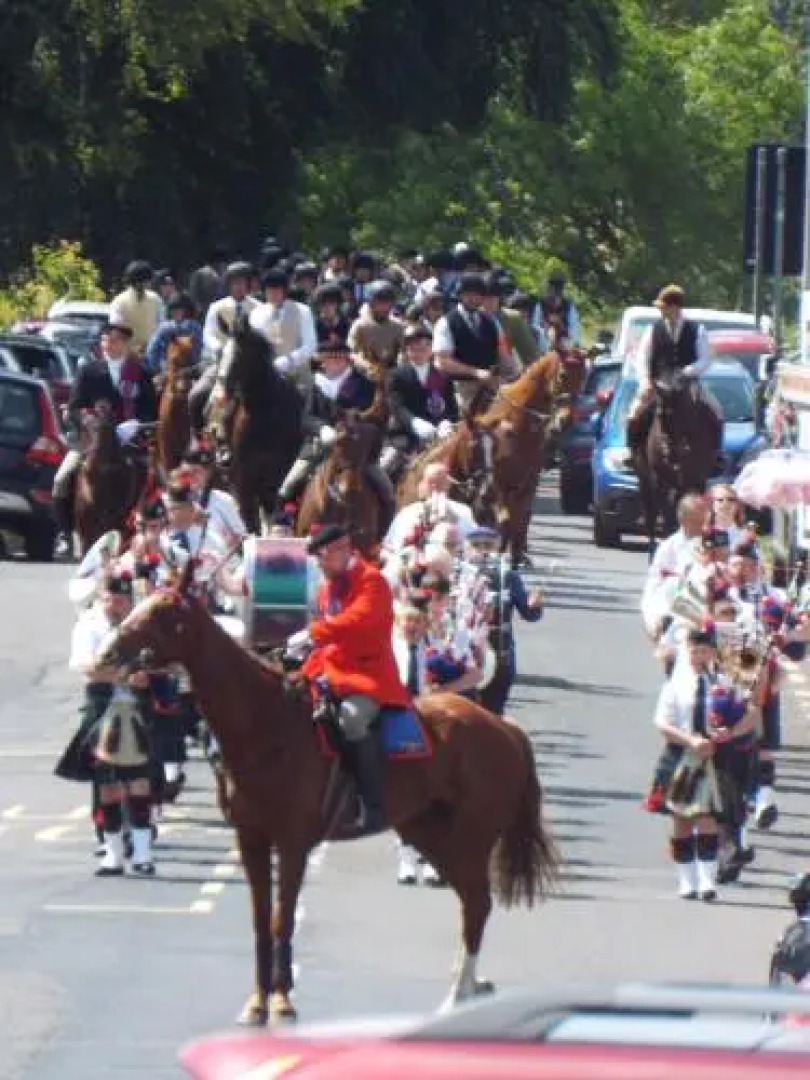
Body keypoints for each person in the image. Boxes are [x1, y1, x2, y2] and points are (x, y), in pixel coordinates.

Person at [287, 525, 410, 835]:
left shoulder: (373, 582)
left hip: (369, 675)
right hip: (332, 672)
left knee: (352, 719)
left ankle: (373, 805)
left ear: (343, 550)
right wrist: (302, 670)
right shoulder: (328, 589)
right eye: (318, 560)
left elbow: (357, 621)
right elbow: (329, 644)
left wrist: (313, 632)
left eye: (324, 558)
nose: (321, 566)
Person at [55, 567, 156, 876]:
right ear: (103, 598)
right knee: (108, 786)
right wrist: (125, 675)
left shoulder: (141, 625)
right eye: (114, 599)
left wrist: (149, 674)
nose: (120, 605)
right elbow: (87, 667)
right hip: (103, 708)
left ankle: (142, 854)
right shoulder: (89, 626)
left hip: (137, 708)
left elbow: (159, 660)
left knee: (139, 784)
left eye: (124, 600)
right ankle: (112, 854)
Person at [51, 317, 158, 557]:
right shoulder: (89, 371)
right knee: (61, 479)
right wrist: (87, 420)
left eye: (116, 340)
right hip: (93, 441)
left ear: (126, 344)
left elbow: (152, 409)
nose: (110, 345)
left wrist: (136, 423)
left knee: (156, 478)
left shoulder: (141, 373)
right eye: (106, 340)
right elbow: (75, 405)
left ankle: (151, 529)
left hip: (131, 442)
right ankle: (65, 534)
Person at [274, 340, 395, 526]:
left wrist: (359, 428)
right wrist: (322, 428)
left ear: (347, 360)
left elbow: (377, 419)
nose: (335, 362)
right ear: (323, 361)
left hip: (357, 451)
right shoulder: (314, 385)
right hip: (319, 448)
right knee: (288, 486)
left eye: (340, 358)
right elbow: (306, 417)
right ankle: (283, 526)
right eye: (330, 359)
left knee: (387, 491)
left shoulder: (365, 385)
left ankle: (385, 532)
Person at [626, 284, 720, 455]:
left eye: (664, 307)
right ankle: (632, 451)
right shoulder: (652, 329)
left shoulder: (697, 330)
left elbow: (705, 360)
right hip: (658, 383)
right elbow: (642, 357)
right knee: (634, 413)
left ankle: (716, 453)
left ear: (675, 307)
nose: (661, 311)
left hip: (687, 383)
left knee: (716, 411)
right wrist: (645, 380)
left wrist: (686, 371)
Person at [463, 526, 544, 716]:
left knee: (494, 713)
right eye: (476, 545)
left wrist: (535, 605)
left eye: (488, 546)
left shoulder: (509, 577)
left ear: (498, 548)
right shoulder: (456, 573)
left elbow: (529, 614)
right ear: (466, 548)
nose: (483, 551)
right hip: (464, 659)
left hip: (501, 655)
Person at [383, 324, 458, 477]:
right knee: (385, 468)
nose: (420, 351)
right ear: (407, 350)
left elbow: (452, 407)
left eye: (425, 347)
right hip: (405, 435)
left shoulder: (442, 376)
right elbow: (397, 407)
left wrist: (447, 422)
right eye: (415, 347)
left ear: (431, 350)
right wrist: (414, 423)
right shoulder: (396, 375)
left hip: (439, 435)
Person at [432, 272, 502, 412]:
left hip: (490, 386)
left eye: (477, 295)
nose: (473, 298)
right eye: (468, 294)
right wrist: (475, 372)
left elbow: (502, 354)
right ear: (460, 295)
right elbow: (442, 362)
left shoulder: (490, 321)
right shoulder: (446, 322)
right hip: (459, 387)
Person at [249, 266, 317, 394]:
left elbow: (310, 345)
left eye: (277, 290)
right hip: (266, 373)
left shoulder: (303, 311)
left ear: (285, 291)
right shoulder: (256, 313)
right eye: (269, 290)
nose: (273, 294)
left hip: (297, 372)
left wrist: (289, 360)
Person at [384, 462, 476, 553]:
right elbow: (475, 546)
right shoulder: (465, 511)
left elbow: (389, 548)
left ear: (430, 484)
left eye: (421, 481)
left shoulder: (407, 513)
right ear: (447, 485)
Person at [143, 292, 203, 380]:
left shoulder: (194, 327)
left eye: (179, 309)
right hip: (168, 369)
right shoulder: (164, 328)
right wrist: (159, 369)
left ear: (186, 310)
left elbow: (197, 352)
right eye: (174, 310)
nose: (176, 312)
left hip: (186, 371)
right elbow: (152, 350)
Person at [109, 261, 162, 355]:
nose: (149, 284)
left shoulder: (155, 299)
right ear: (138, 282)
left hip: (151, 353)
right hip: (126, 354)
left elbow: (161, 325)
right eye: (147, 280)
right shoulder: (119, 301)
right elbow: (116, 328)